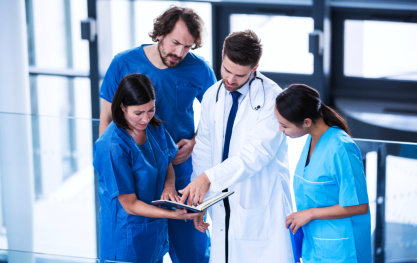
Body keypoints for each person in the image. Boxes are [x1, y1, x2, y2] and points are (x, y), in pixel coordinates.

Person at [98, 6, 216, 262]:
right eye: (175, 43)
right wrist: (115, 166)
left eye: (188, 47)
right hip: (136, 172)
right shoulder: (123, 63)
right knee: (140, 245)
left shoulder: (199, 70)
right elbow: (106, 121)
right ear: (160, 33)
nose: (180, 53)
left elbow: (214, 117)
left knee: (192, 251)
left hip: (181, 172)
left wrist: (196, 141)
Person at [179, 30, 294, 263]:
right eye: (227, 70)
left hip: (262, 207)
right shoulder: (213, 95)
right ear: (222, 55)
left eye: (240, 75)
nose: (230, 79)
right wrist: (199, 200)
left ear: (254, 68)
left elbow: (256, 155)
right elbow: (203, 148)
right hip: (222, 207)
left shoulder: (272, 98)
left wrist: (208, 178)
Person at [93, 74, 201, 263]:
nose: (145, 119)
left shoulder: (154, 127)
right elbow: (130, 204)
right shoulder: (112, 145)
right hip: (125, 237)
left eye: (151, 110)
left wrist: (169, 186)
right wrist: (173, 214)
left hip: (153, 232)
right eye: (138, 113)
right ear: (122, 107)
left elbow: (166, 161)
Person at [274, 84, 372, 263]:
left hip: (343, 250)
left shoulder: (341, 148)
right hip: (316, 247)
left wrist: (310, 214)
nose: (281, 130)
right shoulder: (312, 139)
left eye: (284, 126)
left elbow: (359, 205)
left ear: (306, 122)